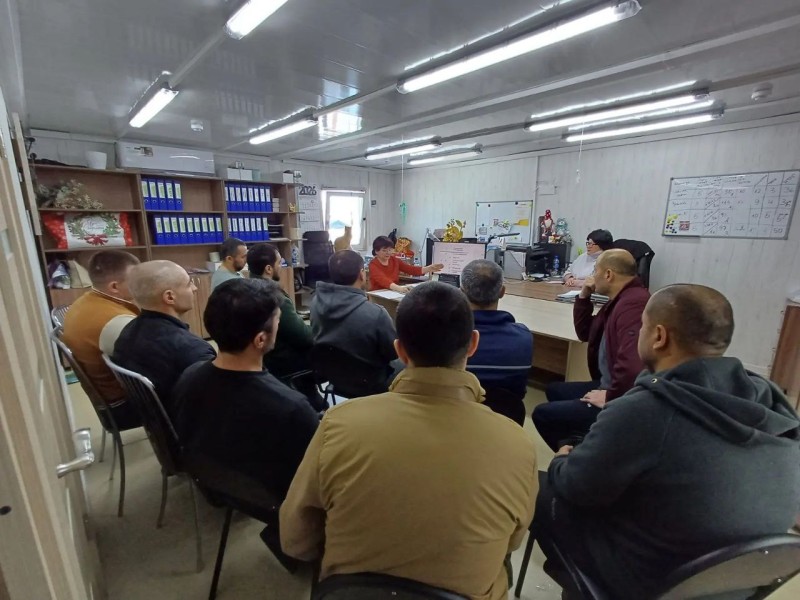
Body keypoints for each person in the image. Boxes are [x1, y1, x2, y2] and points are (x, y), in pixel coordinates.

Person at [534, 284, 800, 600]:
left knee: (539, 485)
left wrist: (562, 460)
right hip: (734, 580)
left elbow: (576, 487)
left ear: (659, 336)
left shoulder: (643, 410)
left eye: (642, 327)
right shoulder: (772, 401)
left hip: (654, 580)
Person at [280, 282, 538, 600]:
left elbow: (295, 539)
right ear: (473, 344)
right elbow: (511, 541)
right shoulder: (517, 444)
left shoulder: (338, 423)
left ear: (400, 350)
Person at [174, 278, 319, 500]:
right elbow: (314, 475)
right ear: (260, 339)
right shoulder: (291, 407)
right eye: (278, 321)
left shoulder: (189, 376)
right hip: (277, 501)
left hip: (217, 486)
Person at [532, 249, 649, 450]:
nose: (591, 277)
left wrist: (610, 397)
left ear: (608, 274)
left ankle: (581, 458)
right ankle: (582, 445)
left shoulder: (633, 305)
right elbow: (586, 332)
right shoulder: (619, 300)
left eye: (595, 271)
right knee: (555, 389)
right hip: (609, 384)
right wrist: (584, 296)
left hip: (621, 396)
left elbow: (633, 366)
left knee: (543, 415)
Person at [112, 260, 216, 415]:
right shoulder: (192, 349)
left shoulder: (127, 332)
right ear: (169, 297)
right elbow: (220, 400)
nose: (194, 289)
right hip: (188, 424)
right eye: (189, 284)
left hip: (156, 421)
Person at [61, 250, 142, 428]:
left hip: (106, 400)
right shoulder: (115, 322)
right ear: (114, 287)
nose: (141, 284)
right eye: (136, 279)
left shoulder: (85, 302)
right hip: (123, 407)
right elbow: (153, 365)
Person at [461, 259, 533, 425]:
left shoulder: (447, 339)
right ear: (502, 291)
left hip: (456, 419)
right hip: (507, 421)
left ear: (461, 292)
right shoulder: (523, 337)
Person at [311, 250, 401, 383]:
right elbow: (393, 353)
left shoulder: (316, 302)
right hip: (371, 381)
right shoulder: (376, 314)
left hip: (333, 376)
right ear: (361, 274)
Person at [367, 235, 443, 292]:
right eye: (384, 250)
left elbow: (411, 269)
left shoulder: (394, 260)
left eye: (390, 250)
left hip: (393, 291)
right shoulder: (373, 264)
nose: (388, 253)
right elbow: (383, 280)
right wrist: (400, 288)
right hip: (378, 294)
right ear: (376, 251)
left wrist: (429, 268)